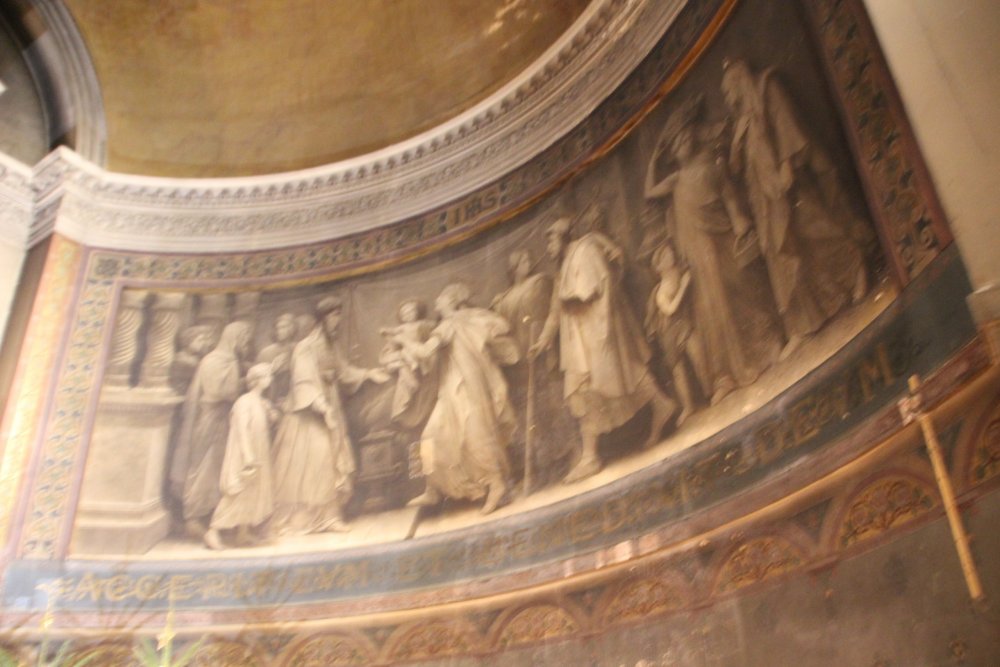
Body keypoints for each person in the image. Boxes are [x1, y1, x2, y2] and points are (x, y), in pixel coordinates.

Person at [721, 59, 872, 358]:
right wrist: (734, 151)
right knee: (779, 258)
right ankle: (801, 325)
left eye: (728, 91)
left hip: (785, 184)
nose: (728, 99)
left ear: (739, 80)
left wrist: (787, 164)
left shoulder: (766, 88)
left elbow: (786, 125)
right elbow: (739, 166)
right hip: (763, 200)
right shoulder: (740, 121)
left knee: (814, 229)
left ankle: (856, 269)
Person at [644, 95, 783, 404]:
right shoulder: (676, 179)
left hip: (722, 245)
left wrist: (741, 225)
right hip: (696, 259)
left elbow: (730, 199)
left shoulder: (712, 164)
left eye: (685, 137)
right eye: (676, 144)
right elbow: (650, 191)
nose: (683, 144)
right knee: (710, 314)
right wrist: (654, 159)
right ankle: (724, 377)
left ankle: (766, 348)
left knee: (741, 293)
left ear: (694, 134)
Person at [529, 213, 677, 483]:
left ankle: (592, 455)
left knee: (611, 380)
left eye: (551, 241)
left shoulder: (585, 250)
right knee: (598, 387)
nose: (548, 248)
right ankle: (658, 406)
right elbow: (555, 310)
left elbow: (597, 286)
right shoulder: (562, 268)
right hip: (581, 340)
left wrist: (575, 301)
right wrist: (543, 340)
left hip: (599, 332)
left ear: (564, 237)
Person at [270, 296, 390, 534]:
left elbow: (344, 371)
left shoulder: (331, 345)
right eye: (335, 316)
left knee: (333, 457)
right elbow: (303, 382)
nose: (338, 321)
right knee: (319, 461)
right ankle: (309, 519)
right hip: (308, 415)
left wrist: (369, 374)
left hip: (330, 406)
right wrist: (322, 407)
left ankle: (330, 516)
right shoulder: (305, 347)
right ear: (322, 319)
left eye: (339, 315)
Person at [407, 282, 520, 514]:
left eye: (441, 298)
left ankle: (497, 485)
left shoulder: (450, 323)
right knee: (427, 437)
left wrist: (403, 342)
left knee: (476, 437)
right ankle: (431, 488)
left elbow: (426, 352)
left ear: (452, 301)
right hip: (458, 388)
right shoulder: (472, 319)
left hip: (464, 389)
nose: (436, 302)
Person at [169, 321, 253, 539]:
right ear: (234, 338)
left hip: (222, 421)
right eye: (244, 339)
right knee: (203, 468)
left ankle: (211, 518)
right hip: (209, 420)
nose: (246, 343)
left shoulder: (229, 360)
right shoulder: (214, 360)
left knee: (217, 470)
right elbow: (217, 392)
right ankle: (193, 519)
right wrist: (248, 382)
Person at [204, 363, 280, 550]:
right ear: (257, 380)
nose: (270, 379)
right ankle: (212, 531)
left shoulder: (260, 402)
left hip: (259, 452)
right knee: (237, 493)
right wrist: (247, 456)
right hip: (245, 454)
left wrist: (271, 414)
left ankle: (242, 533)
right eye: (267, 376)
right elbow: (241, 430)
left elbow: (265, 426)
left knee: (252, 493)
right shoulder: (244, 402)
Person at [644, 241, 705, 426]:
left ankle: (709, 391)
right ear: (658, 267)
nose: (670, 255)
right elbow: (670, 310)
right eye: (664, 256)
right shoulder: (661, 290)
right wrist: (684, 286)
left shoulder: (679, 272)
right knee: (678, 371)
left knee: (698, 356)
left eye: (669, 252)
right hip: (669, 332)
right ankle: (688, 406)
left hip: (684, 324)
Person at [255, 313, 296, 401]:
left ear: (292, 329)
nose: (279, 331)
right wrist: (272, 369)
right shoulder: (266, 352)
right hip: (271, 396)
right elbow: (256, 378)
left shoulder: (297, 349)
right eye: (278, 328)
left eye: (283, 327)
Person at [169, 325, 213, 395]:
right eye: (199, 340)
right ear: (188, 341)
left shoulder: (196, 357)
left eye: (204, 340)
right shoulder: (181, 359)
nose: (203, 343)